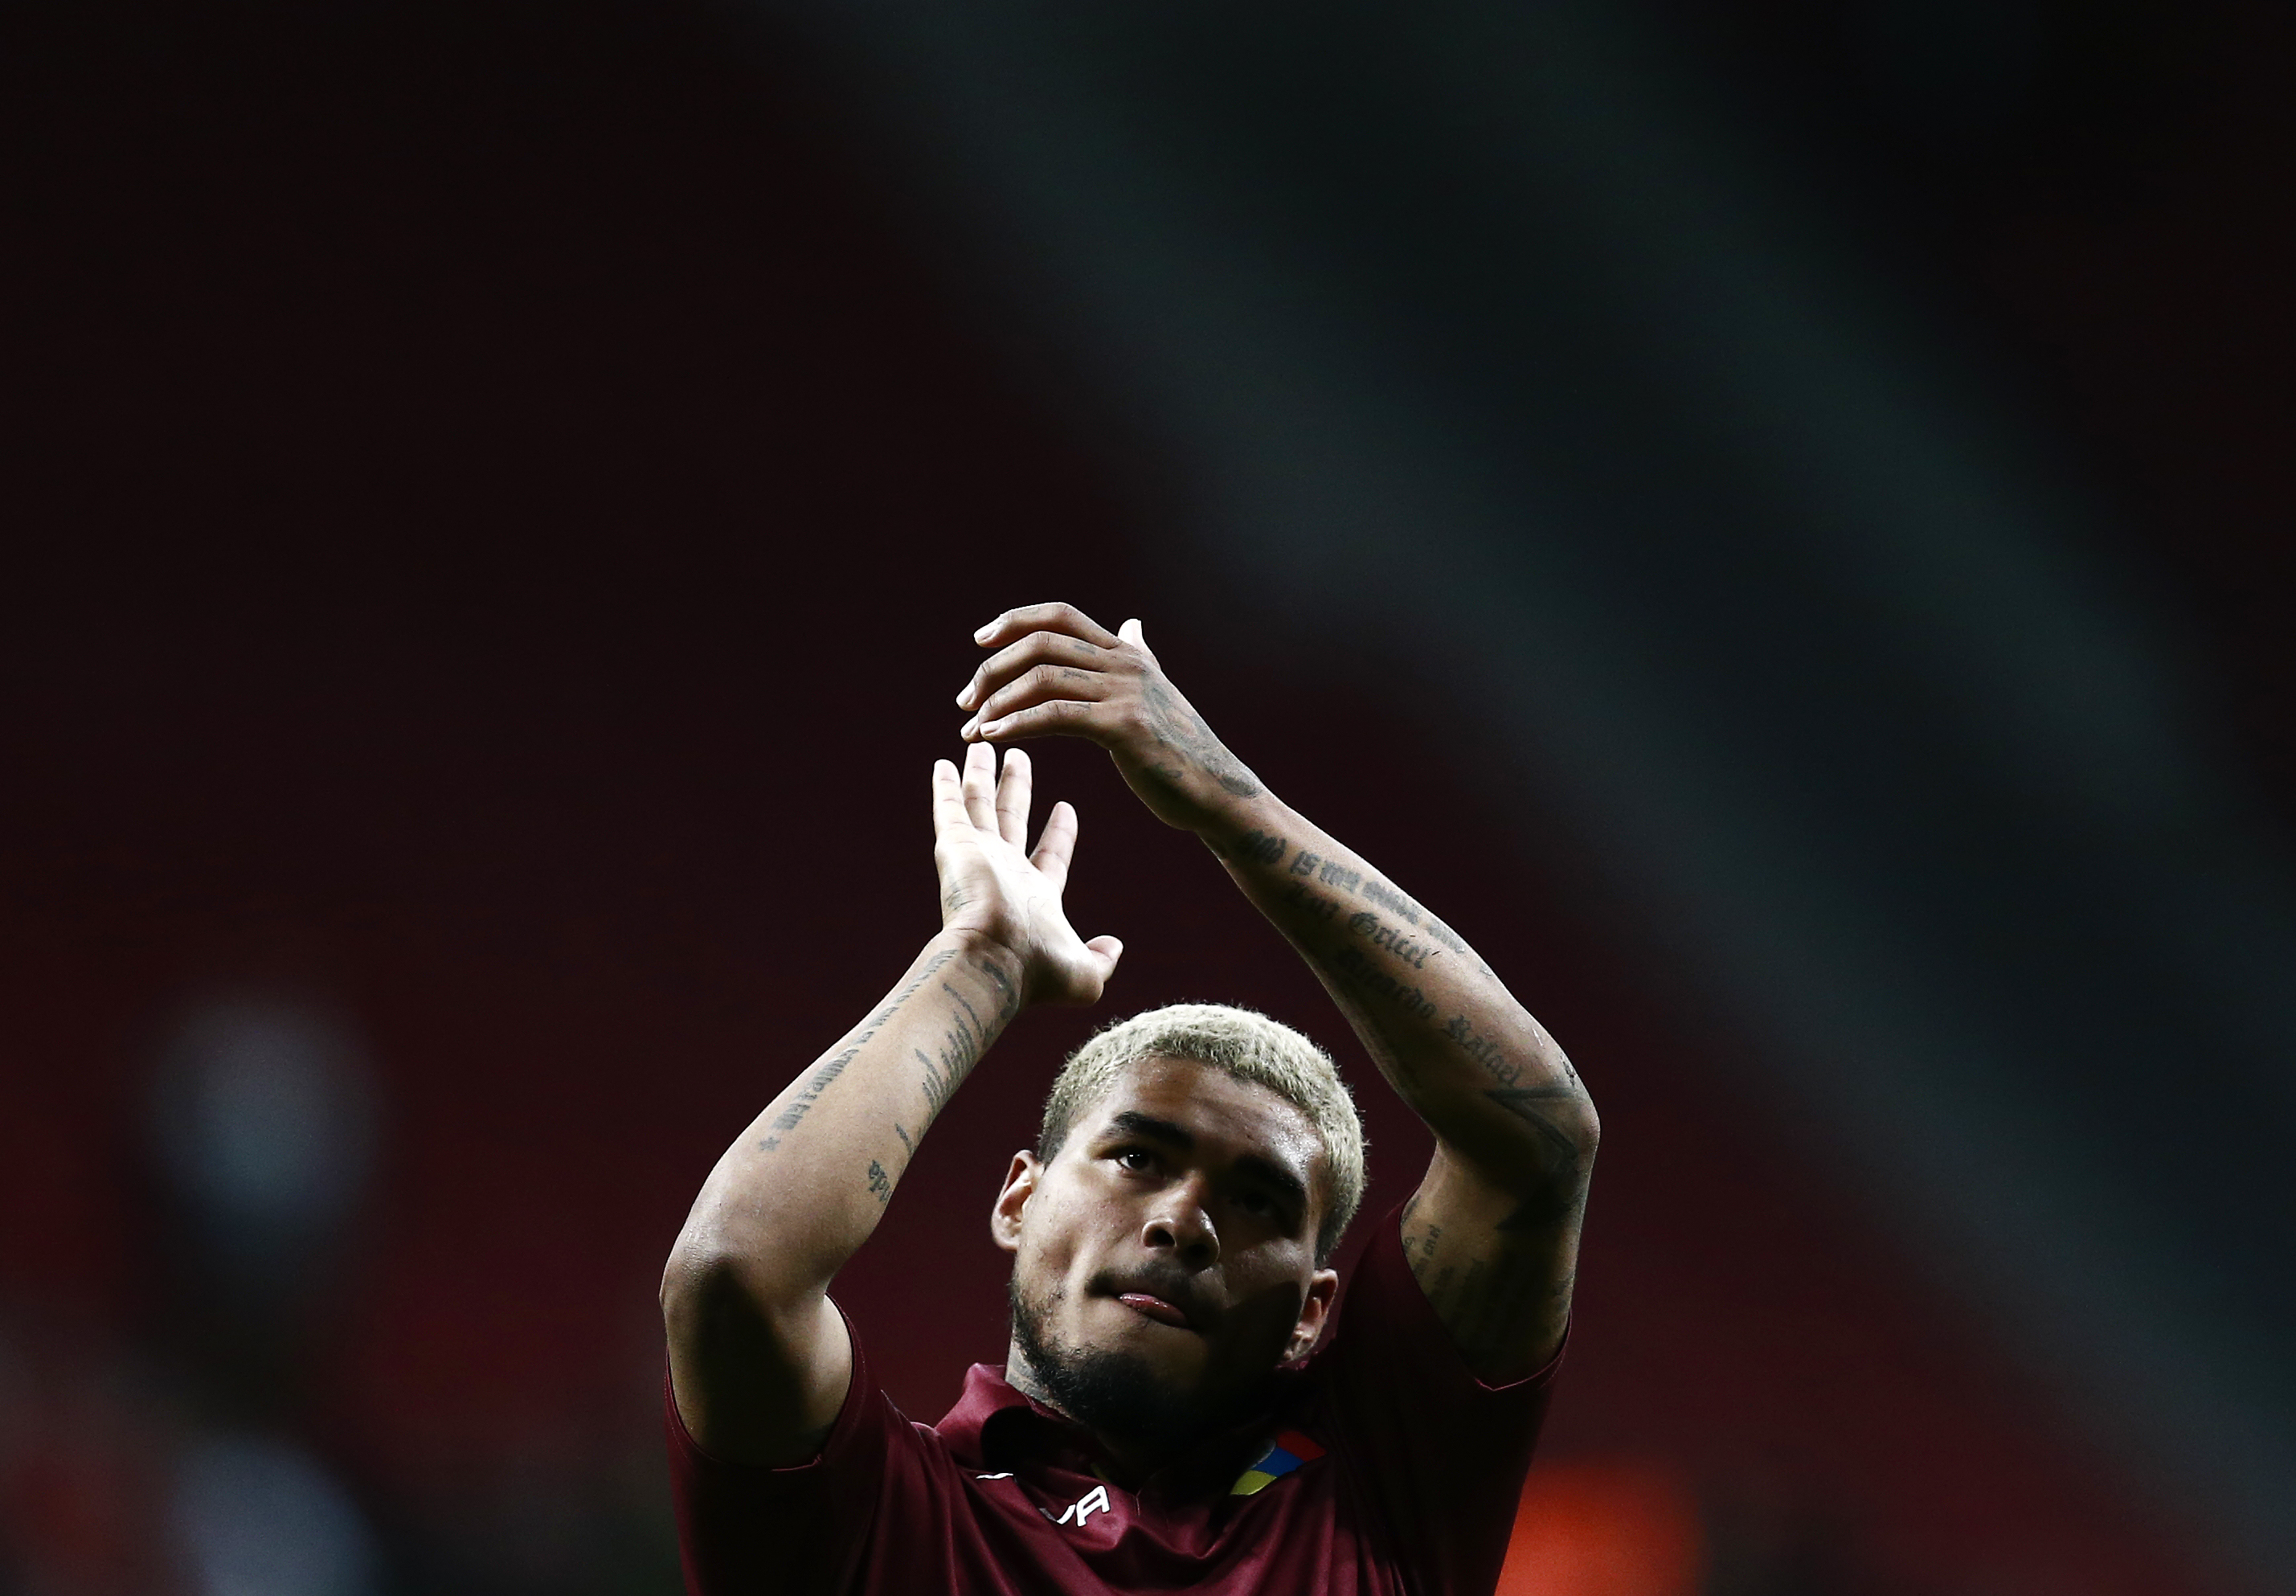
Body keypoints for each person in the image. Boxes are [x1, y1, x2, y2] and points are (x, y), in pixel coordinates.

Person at [660, 603, 1599, 1596]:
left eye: (1259, 1202)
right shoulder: (872, 1512)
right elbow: (732, 1275)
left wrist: (1222, 800)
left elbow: (1538, 1139)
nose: (1184, 1220)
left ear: (1311, 1312)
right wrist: (979, 962)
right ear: (1018, 1198)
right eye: (1138, 1156)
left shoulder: (1379, 1493)